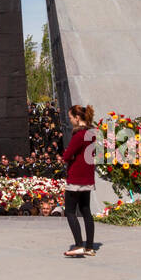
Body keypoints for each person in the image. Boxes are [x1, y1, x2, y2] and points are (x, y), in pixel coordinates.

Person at [60, 104, 98, 258]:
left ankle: (78, 245)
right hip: (87, 177)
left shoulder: (79, 135)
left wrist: (68, 155)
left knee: (69, 211)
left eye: (70, 118)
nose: (70, 121)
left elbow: (67, 156)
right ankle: (89, 247)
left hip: (76, 178)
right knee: (86, 211)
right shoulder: (92, 133)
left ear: (77, 118)